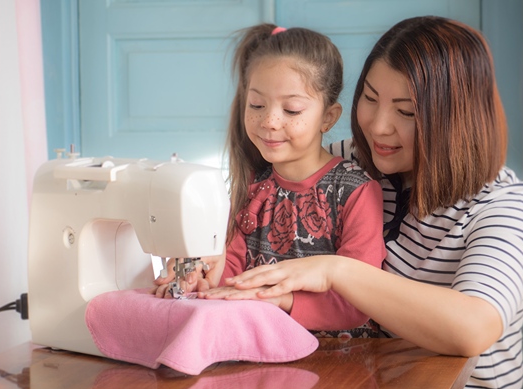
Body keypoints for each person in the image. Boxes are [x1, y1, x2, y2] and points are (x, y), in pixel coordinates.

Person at [216, 16, 523, 389]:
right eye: (370, 98)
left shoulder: (504, 206)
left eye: (406, 112)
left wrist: (337, 270)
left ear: (456, 119)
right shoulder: (346, 164)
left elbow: (472, 328)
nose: (378, 127)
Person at [155, 23, 386, 338]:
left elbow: (362, 298)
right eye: (257, 105)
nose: (269, 121)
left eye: (291, 110)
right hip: (265, 351)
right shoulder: (255, 186)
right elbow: (232, 273)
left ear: (328, 117)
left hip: (342, 364)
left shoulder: (355, 191)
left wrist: (283, 300)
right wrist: (199, 273)